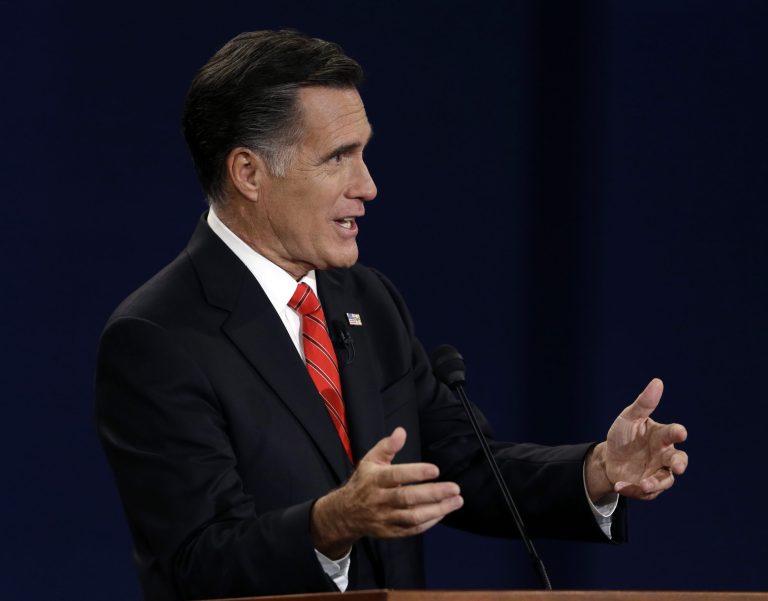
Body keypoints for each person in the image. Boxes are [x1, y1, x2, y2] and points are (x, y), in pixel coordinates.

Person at [94, 30, 688, 601]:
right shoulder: (159, 337)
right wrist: (330, 523)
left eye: (364, 153)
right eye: (337, 158)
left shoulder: (368, 302)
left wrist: (597, 470)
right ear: (249, 173)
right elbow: (198, 561)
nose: (369, 186)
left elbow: (462, 467)